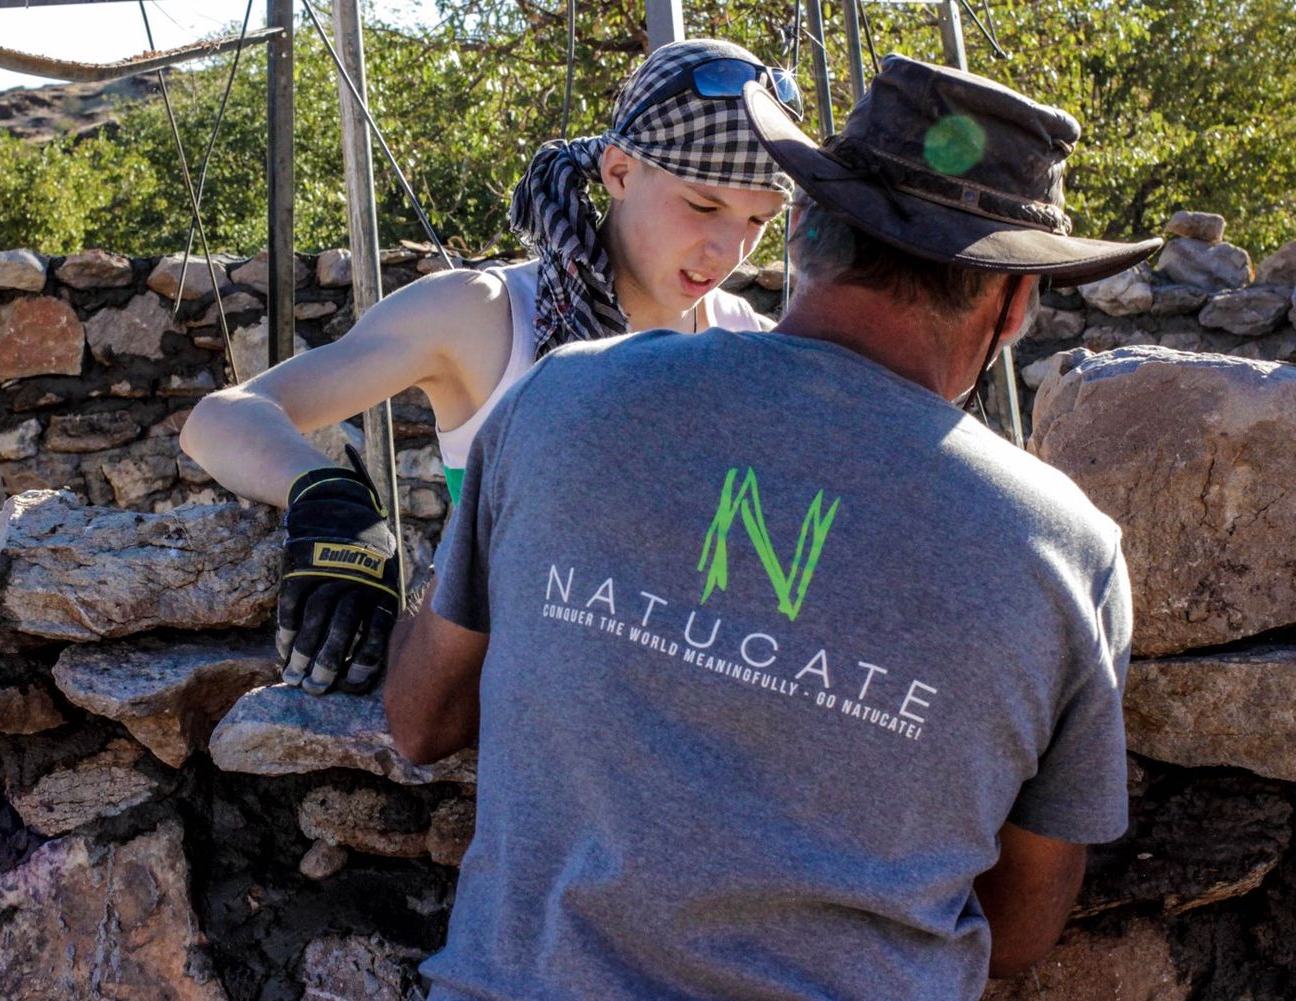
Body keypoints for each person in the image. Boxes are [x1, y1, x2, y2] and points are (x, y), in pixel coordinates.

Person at [385, 54, 1161, 999]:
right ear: (1014, 304)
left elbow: (422, 720)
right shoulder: (1064, 553)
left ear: (799, 228)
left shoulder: (564, 398)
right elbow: (1021, 930)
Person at [179, 39, 798, 697]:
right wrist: (333, 501)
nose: (728, 249)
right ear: (619, 172)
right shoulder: (486, 317)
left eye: (759, 219)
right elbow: (221, 418)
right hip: (517, 718)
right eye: (703, 205)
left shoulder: (753, 345)